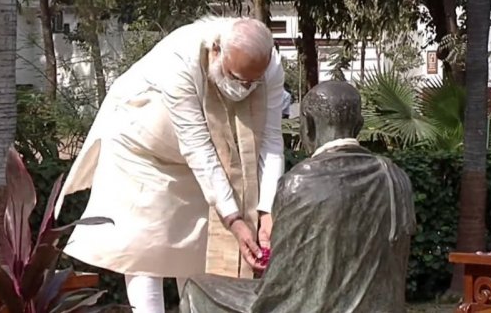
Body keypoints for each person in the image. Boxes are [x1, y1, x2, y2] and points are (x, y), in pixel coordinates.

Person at [54, 16, 285, 313]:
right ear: (217, 52)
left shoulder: (272, 68)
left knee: (198, 255)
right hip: (140, 152)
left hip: (195, 166)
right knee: (144, 252)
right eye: (237, 78)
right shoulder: (181, 57)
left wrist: (266, 211)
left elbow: (271, 140)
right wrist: (235, 219)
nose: (245, 88)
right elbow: (197, 146)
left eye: (253, 82)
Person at [179, 81, 416, 313]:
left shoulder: (299, 183)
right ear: (359, 126)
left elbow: (280, 286)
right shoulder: (396, 177)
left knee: (196, 287)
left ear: (309, 126)